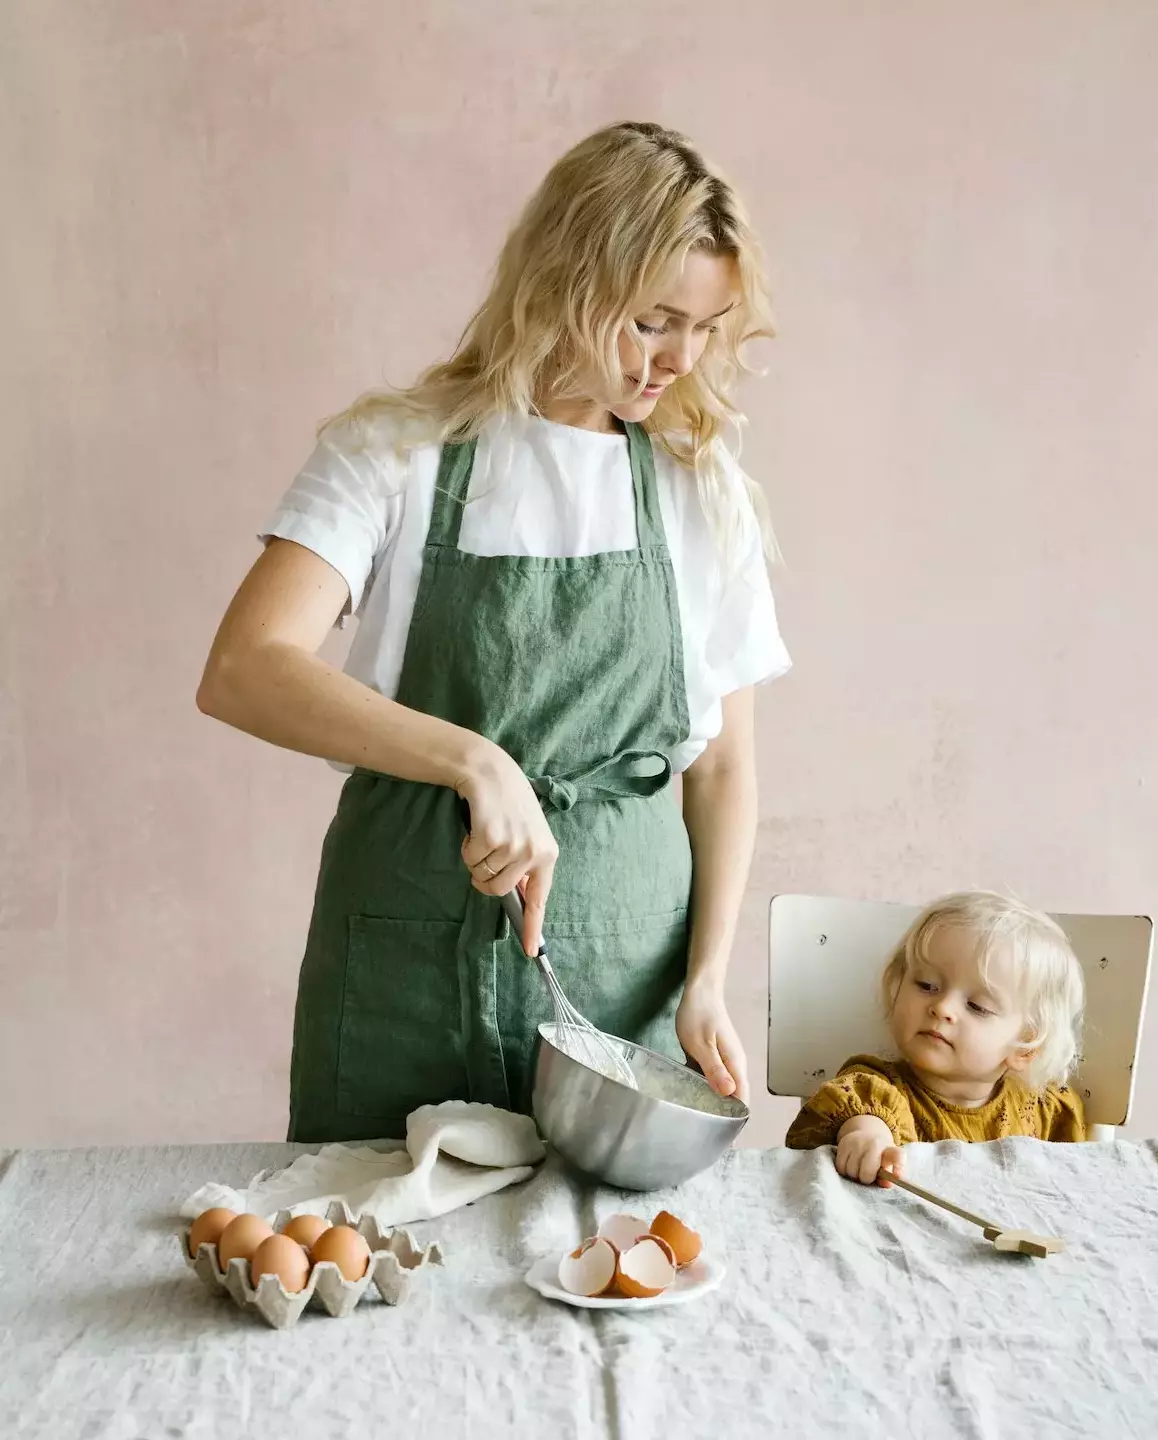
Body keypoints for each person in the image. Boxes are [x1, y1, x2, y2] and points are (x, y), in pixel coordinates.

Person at [197, 122, 790, 1143]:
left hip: (623, 972)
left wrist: (706, 978)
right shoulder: (397, 451)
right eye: (652, 321)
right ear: (565, 280)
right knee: (372, 1226)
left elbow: (724, 768)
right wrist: (474, 761)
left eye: (705, 326)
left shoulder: (699, 489)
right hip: (402, 967)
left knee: (607, 1238)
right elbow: (244, 668)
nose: (681, 358)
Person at [785, 891, 1087, 1182]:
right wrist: (866, 1139)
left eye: (977, 1006)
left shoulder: (1046, 1112)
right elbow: (862, 1119)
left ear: (1025, 1046)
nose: (942, 1007)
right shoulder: (876, 1089)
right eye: (927, 985)